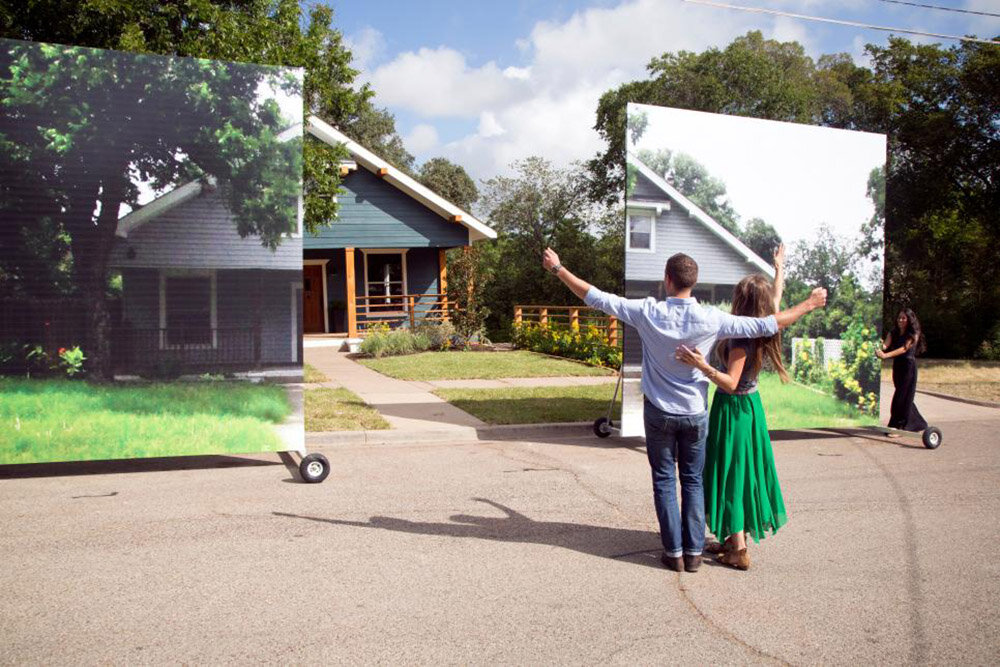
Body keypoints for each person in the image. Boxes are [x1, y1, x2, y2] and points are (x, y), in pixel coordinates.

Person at [541, 247, 826, 573]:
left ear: (667, 280)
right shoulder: (712, 318)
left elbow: (596, 297)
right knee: (692, 481)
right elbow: (769, 323)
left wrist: (559, 268)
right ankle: (693, 554)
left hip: (659, 412)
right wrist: (809, 304)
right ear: (694, 282)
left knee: (664, 480)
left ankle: (674, 552)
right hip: (695, 414)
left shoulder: (647, 311)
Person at [674, 244, 791, 571]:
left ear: (742, 302)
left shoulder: (741, 339)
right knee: (739, 472)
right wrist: (779, 270)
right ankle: (730, 540)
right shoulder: (765, 324)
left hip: (733, 410)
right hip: (750, 409)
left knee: (732, 476)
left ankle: (738, 550)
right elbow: (777, 302)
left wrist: (701, 365)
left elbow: (730, 382)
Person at [876, 308, 928, 435]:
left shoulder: (913, 333)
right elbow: (885, 346)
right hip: (898, 366)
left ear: (909, 319)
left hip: (908, 367)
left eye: (904, 318)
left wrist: (885, 356)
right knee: (905, 397)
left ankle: (899, 427)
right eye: (899, 317)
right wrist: (878, 344)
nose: (900, 320)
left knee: (901, 397)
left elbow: (904, 349)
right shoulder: (893, 332)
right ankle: (918, 423)